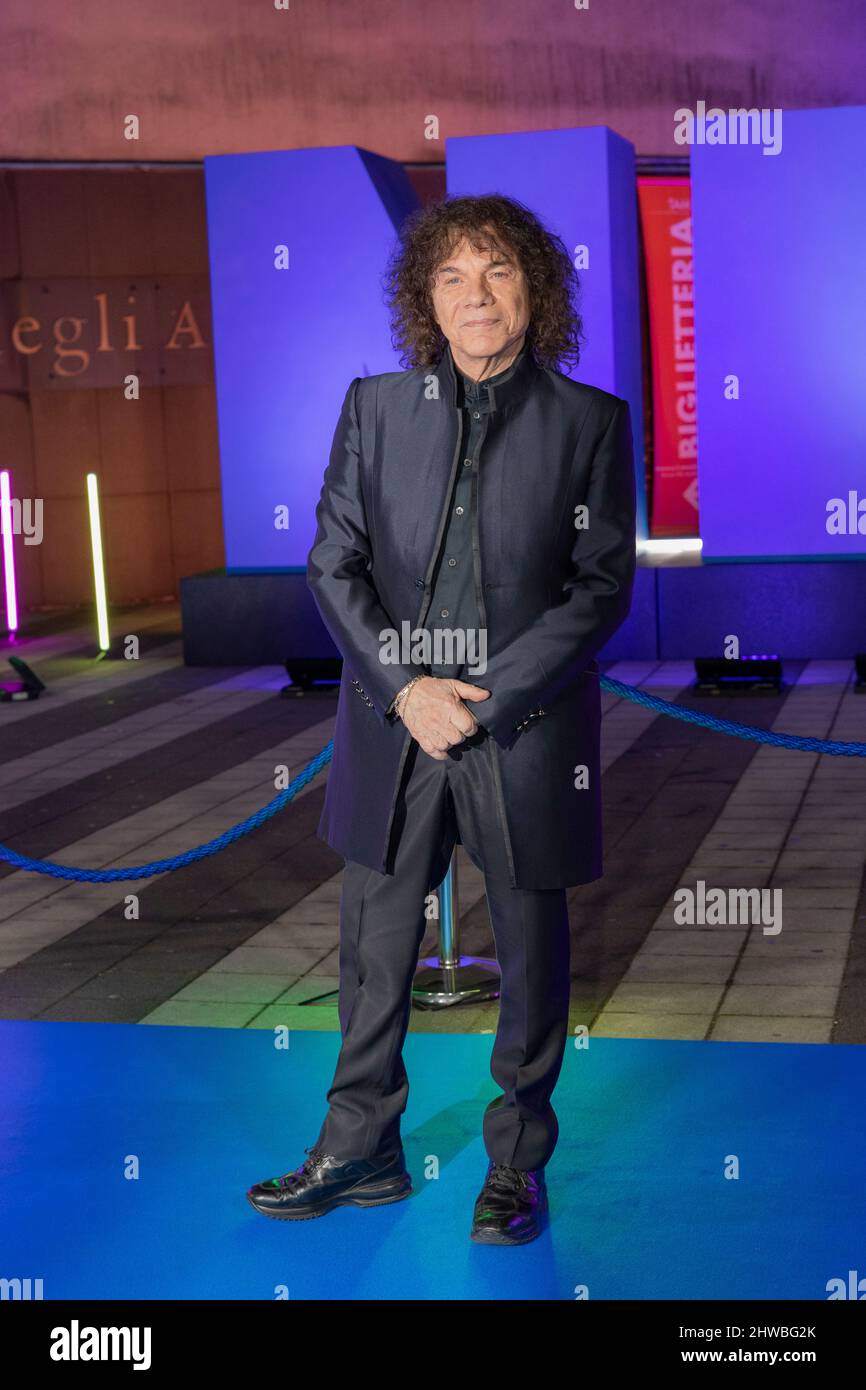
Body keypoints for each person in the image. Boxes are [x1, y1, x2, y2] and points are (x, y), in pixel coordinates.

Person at [247, 193, 636, 1244]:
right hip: (393, 723)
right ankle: (359, 1145)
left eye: (498, 272)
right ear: (426, 294)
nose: (476, 296)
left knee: (531, 950)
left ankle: (515, 1166)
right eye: (453, 276)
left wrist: (487, 696)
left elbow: (599, 587)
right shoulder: (373, 407)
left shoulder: (590, 423)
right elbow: (333, 561)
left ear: (534, 291)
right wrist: (406, 686)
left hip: (524, 730)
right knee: (373, 947)